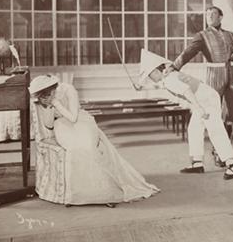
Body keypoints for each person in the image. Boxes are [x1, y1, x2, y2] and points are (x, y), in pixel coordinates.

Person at [29, 75, 160, 206]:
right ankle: (80, 194)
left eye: (48, 93)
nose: (46, 97)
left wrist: (56, 103)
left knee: (88, 147)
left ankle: (105, 193)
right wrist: (49, 107)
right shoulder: (47, 100)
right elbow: (49, 125)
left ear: (53, 88)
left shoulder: (69, 89)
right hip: (63, 128)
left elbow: (73, 118)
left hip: (81, 123)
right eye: (42, 96)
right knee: (75, 150)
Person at [139, 49, 233, 180]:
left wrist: (199, 108)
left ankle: (231, 165)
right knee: (194, 129)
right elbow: (161, 86)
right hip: (202, 98)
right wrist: (142, 87)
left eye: (149, 75)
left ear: (156, 71)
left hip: (206, 100)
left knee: (215, 129)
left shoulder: (170, 79)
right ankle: (197, 163)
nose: (150, 78)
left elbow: (187, 91)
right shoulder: (168, 76)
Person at [170, 6, 233, 164]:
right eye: (207, 15)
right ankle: (220, 153)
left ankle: (223, 148)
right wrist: (174, 66)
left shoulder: (230, 35)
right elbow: (188, 52)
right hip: (214, 76)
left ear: (220, 17)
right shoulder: (202, 36)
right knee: (213, 116)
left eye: (213, 14)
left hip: (231, 76)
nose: (209, 17)